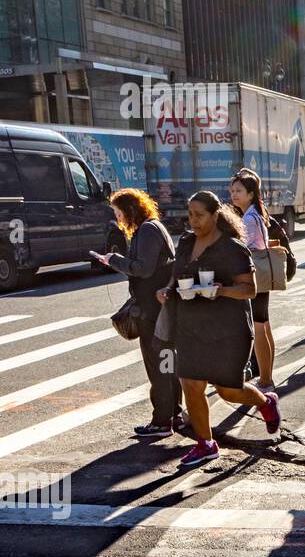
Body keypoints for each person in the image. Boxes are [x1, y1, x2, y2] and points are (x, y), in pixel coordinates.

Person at [156, 192, 280, 468]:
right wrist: (168, 290)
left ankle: (265, 402)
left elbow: (250, 289)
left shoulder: (232, 248)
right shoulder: (187, 242)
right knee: (191, 384)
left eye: (199, 215)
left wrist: (220, 291)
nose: (193, 220)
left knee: (228, 392)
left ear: (215, 215)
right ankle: (206, 443)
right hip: (190, 327)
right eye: (190, 214)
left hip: (228, 331)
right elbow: (177, 275)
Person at [96, 188, 182, 437]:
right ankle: (173, 414)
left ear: (130, 210)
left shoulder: (146, 230)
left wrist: (114, 260)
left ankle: (162, 421)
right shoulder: (154, 227)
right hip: (160, 307)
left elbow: (143, 269)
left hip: (152, 309)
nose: (118, 219)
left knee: (158, 365)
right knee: (167, 363)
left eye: (118, 212)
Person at [230, 170, 280, 391]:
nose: (234, 195)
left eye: (239, 191)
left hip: (256, 277)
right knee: (264, 326)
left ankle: (266, 380)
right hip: (263, 275)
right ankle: (267, 376)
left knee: (259, 329)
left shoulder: (249, 218)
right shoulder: (255, 213)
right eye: (232, 190)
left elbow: (246, 250)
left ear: (250, 194)